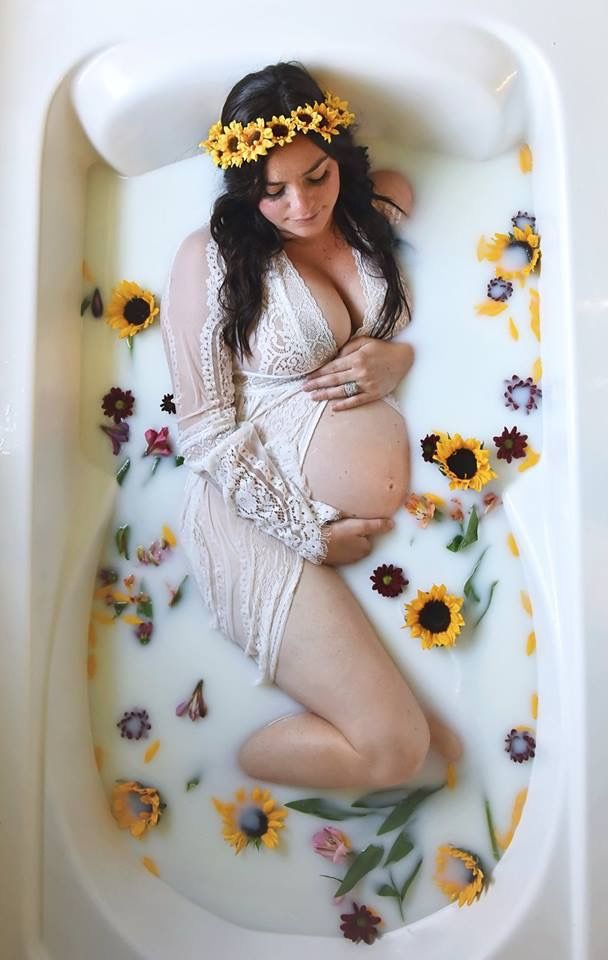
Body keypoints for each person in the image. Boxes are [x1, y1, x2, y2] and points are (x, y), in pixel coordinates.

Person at [160, 61, 462, 789]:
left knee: (443, 754)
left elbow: (405, 188)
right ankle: (214, 770)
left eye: (317, 176)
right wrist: (302, 531)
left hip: (350, 533)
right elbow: (202, 436)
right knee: (398, 751)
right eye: (273, 191)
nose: (300, 205)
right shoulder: (212, 258)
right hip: (258, 525)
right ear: (244, 189)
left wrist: (397, 358)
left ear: (339, 157)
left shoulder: (367, 211)